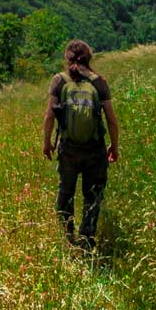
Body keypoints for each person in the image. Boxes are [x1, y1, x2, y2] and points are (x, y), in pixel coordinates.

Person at [42, 39, 120, 252]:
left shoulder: (59, 80)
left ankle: (68, 238)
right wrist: (114, 146)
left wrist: (47, 143)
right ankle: (87, 241)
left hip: (68, 148)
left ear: (67, 59)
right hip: (95, 149)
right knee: (92, 195)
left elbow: (49, 115)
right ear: (89, 57)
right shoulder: (99, 82)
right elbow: (111, 120)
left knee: (66, 192)